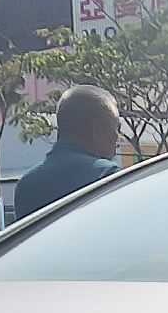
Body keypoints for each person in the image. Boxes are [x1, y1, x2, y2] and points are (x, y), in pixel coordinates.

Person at [13, 85, 123, 222]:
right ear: (98, 129)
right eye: (116, 128)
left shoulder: (26, 186)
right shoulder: (108, 176)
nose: (118, 137)